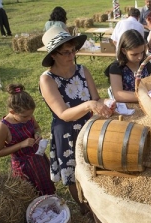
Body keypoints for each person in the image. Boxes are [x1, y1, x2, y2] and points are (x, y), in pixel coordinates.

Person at [39, 26, 115, 216]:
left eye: (73, 50)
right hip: (66, 131)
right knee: (73, 174)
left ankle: (97, 203)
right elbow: (63, 113)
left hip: (88, 126)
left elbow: (96, 98)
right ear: (53, 55)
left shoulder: (82, 70)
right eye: (65, 52)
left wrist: (106, 103)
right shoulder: (47, 80)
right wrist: (89, 105)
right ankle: (84, 207)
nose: (71, 55)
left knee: (93, 167)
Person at [0, 84, 56, 196]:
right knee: (31, 193)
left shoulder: (28, 115)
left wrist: (37, 134)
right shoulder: (3, 127)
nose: (29, 118)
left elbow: (37, 128)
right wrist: (21, 144)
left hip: (38, 158)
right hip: (23, 166)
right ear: (12, 112)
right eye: (25, 117)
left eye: (30, 115)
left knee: (47, 188)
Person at [105, 29, 151, 102]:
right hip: (128, 107)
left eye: (142, 52)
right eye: (134, 54)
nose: (139, 57)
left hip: (148, 104)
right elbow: (118, 95)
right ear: (124, 51)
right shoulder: (116, 68)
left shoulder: (145, 64)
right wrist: (145, 97)